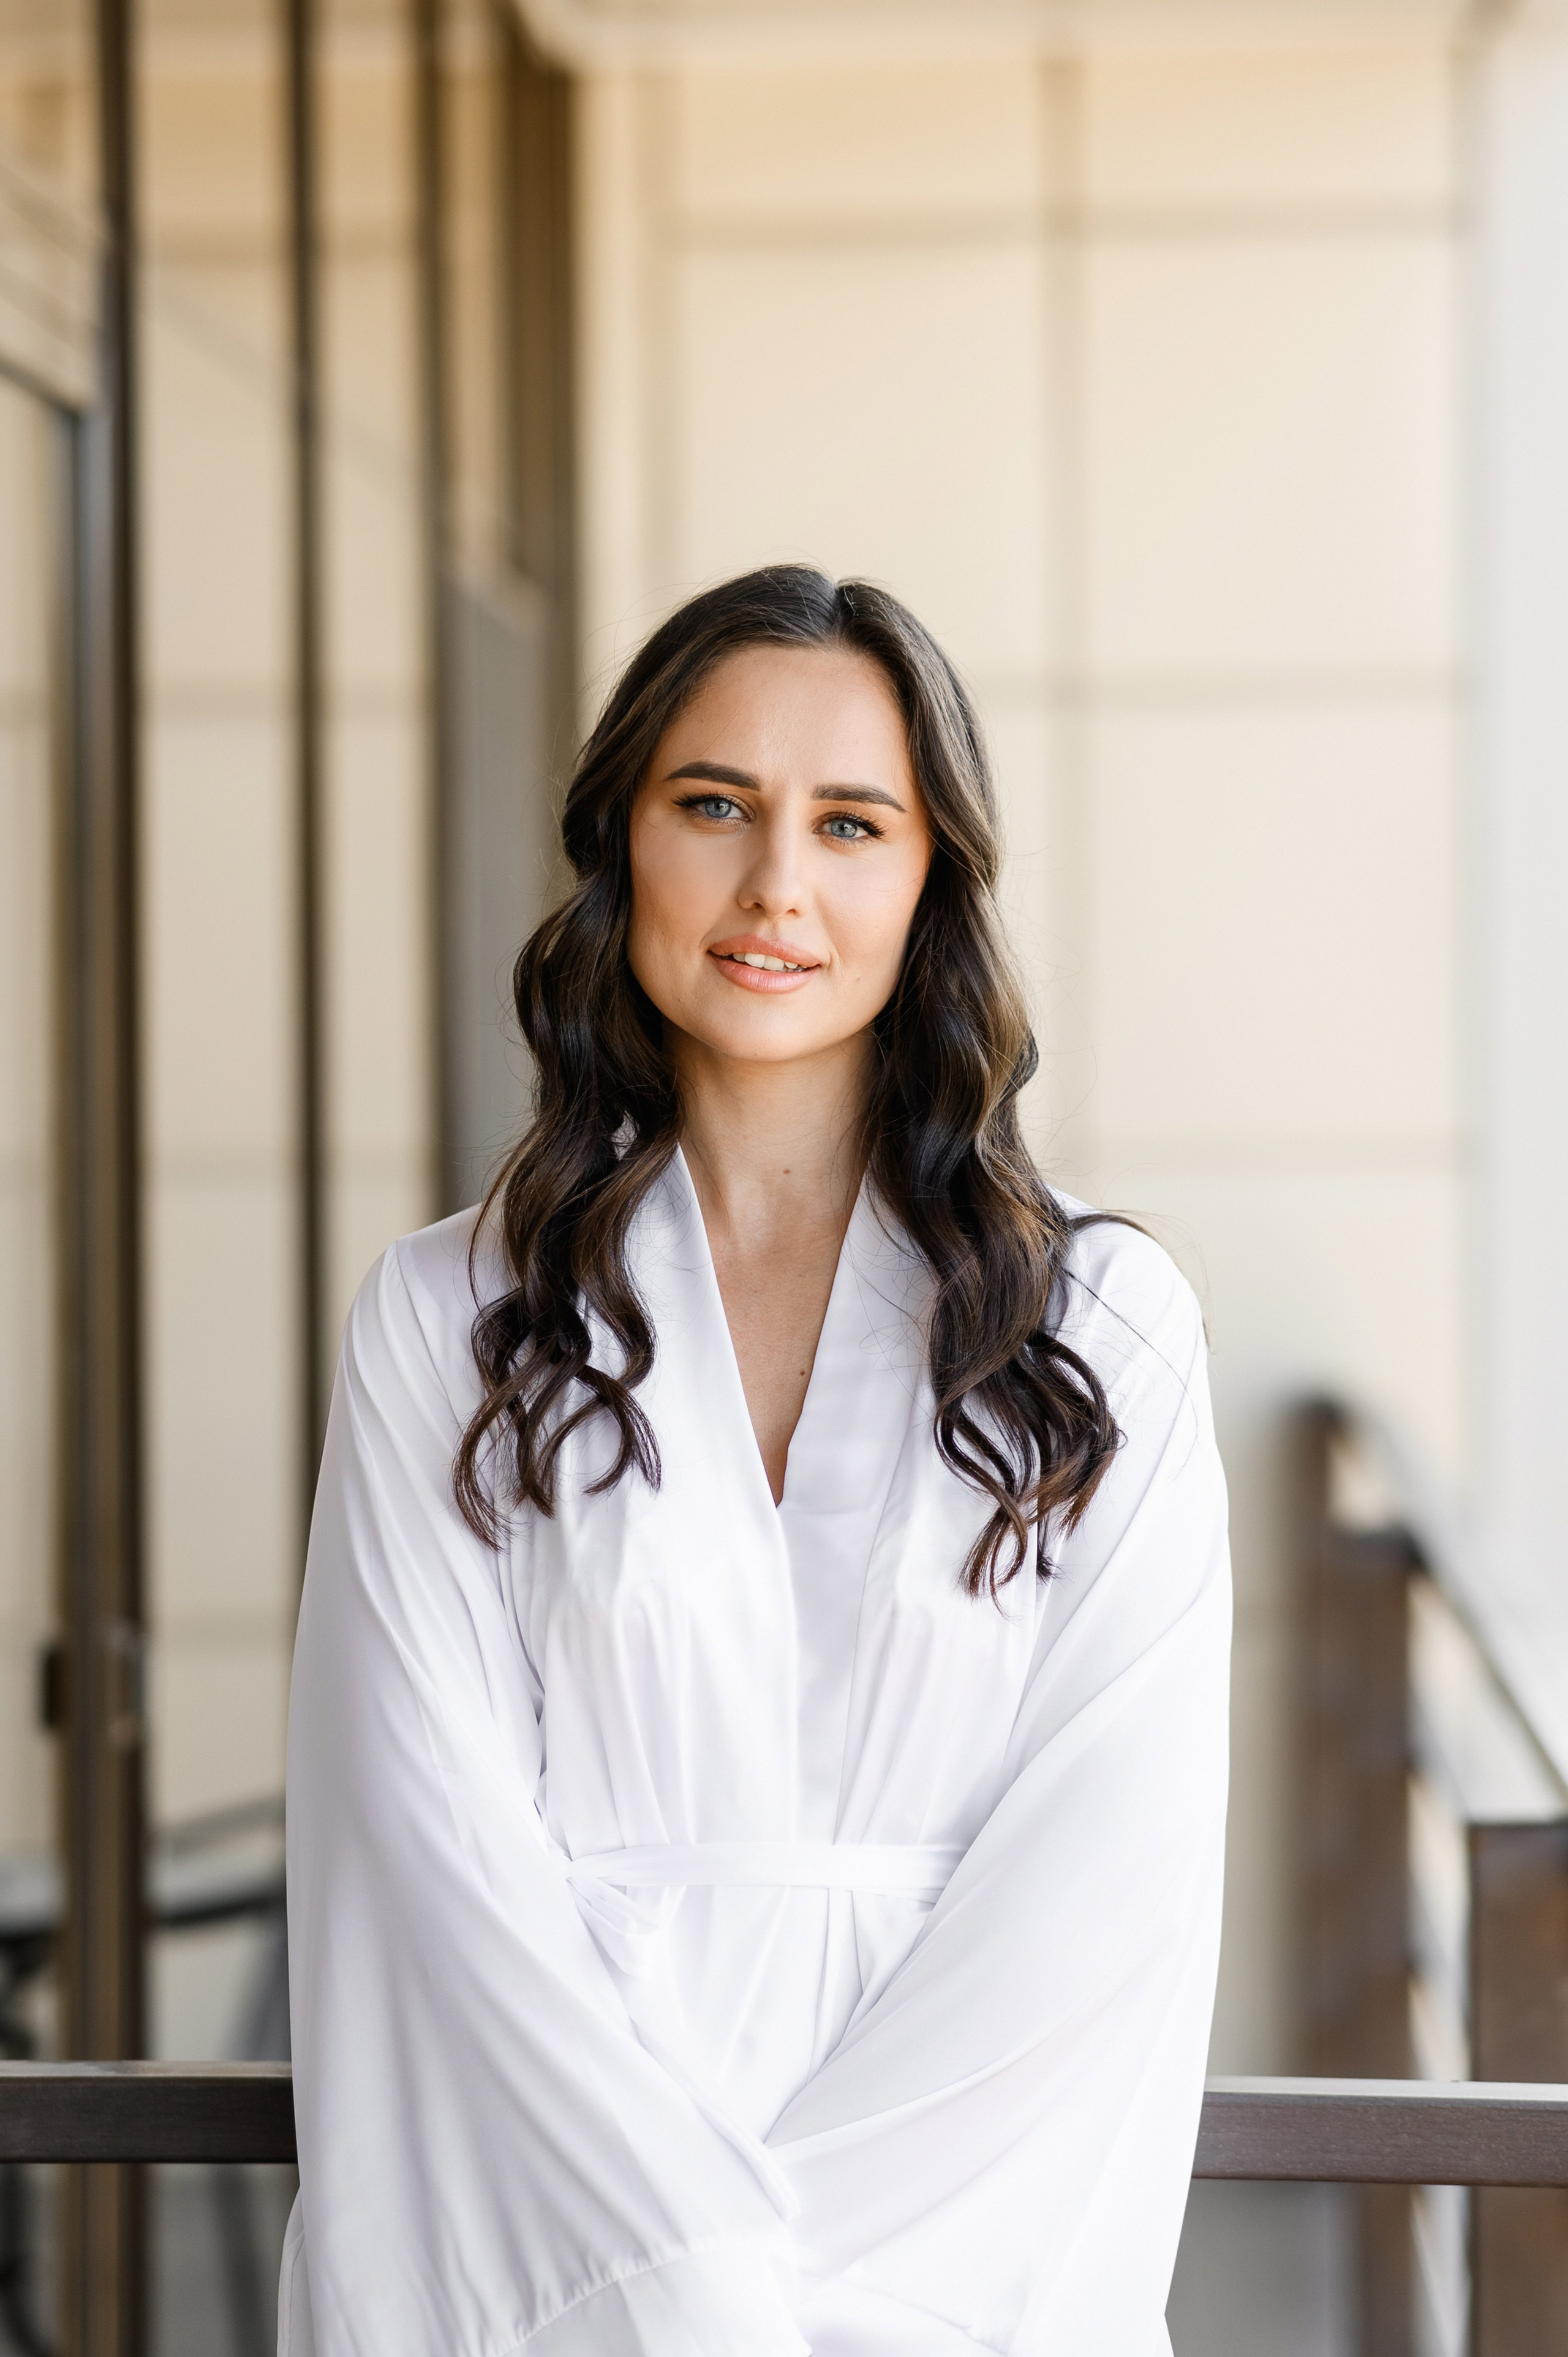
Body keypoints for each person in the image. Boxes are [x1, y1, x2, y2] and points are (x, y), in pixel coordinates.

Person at [279, 566, 1231, 2357]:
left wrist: (827, 2313)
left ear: (928, 880)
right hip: (548, 2285)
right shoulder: (447, 1321)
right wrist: (686, 2303)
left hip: (970, 2288)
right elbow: (424, 1872)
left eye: (850, 823)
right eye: (712, 805)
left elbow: (1106, 1893)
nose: (776, 881)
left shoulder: (1104, 1330)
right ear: (619, 843)